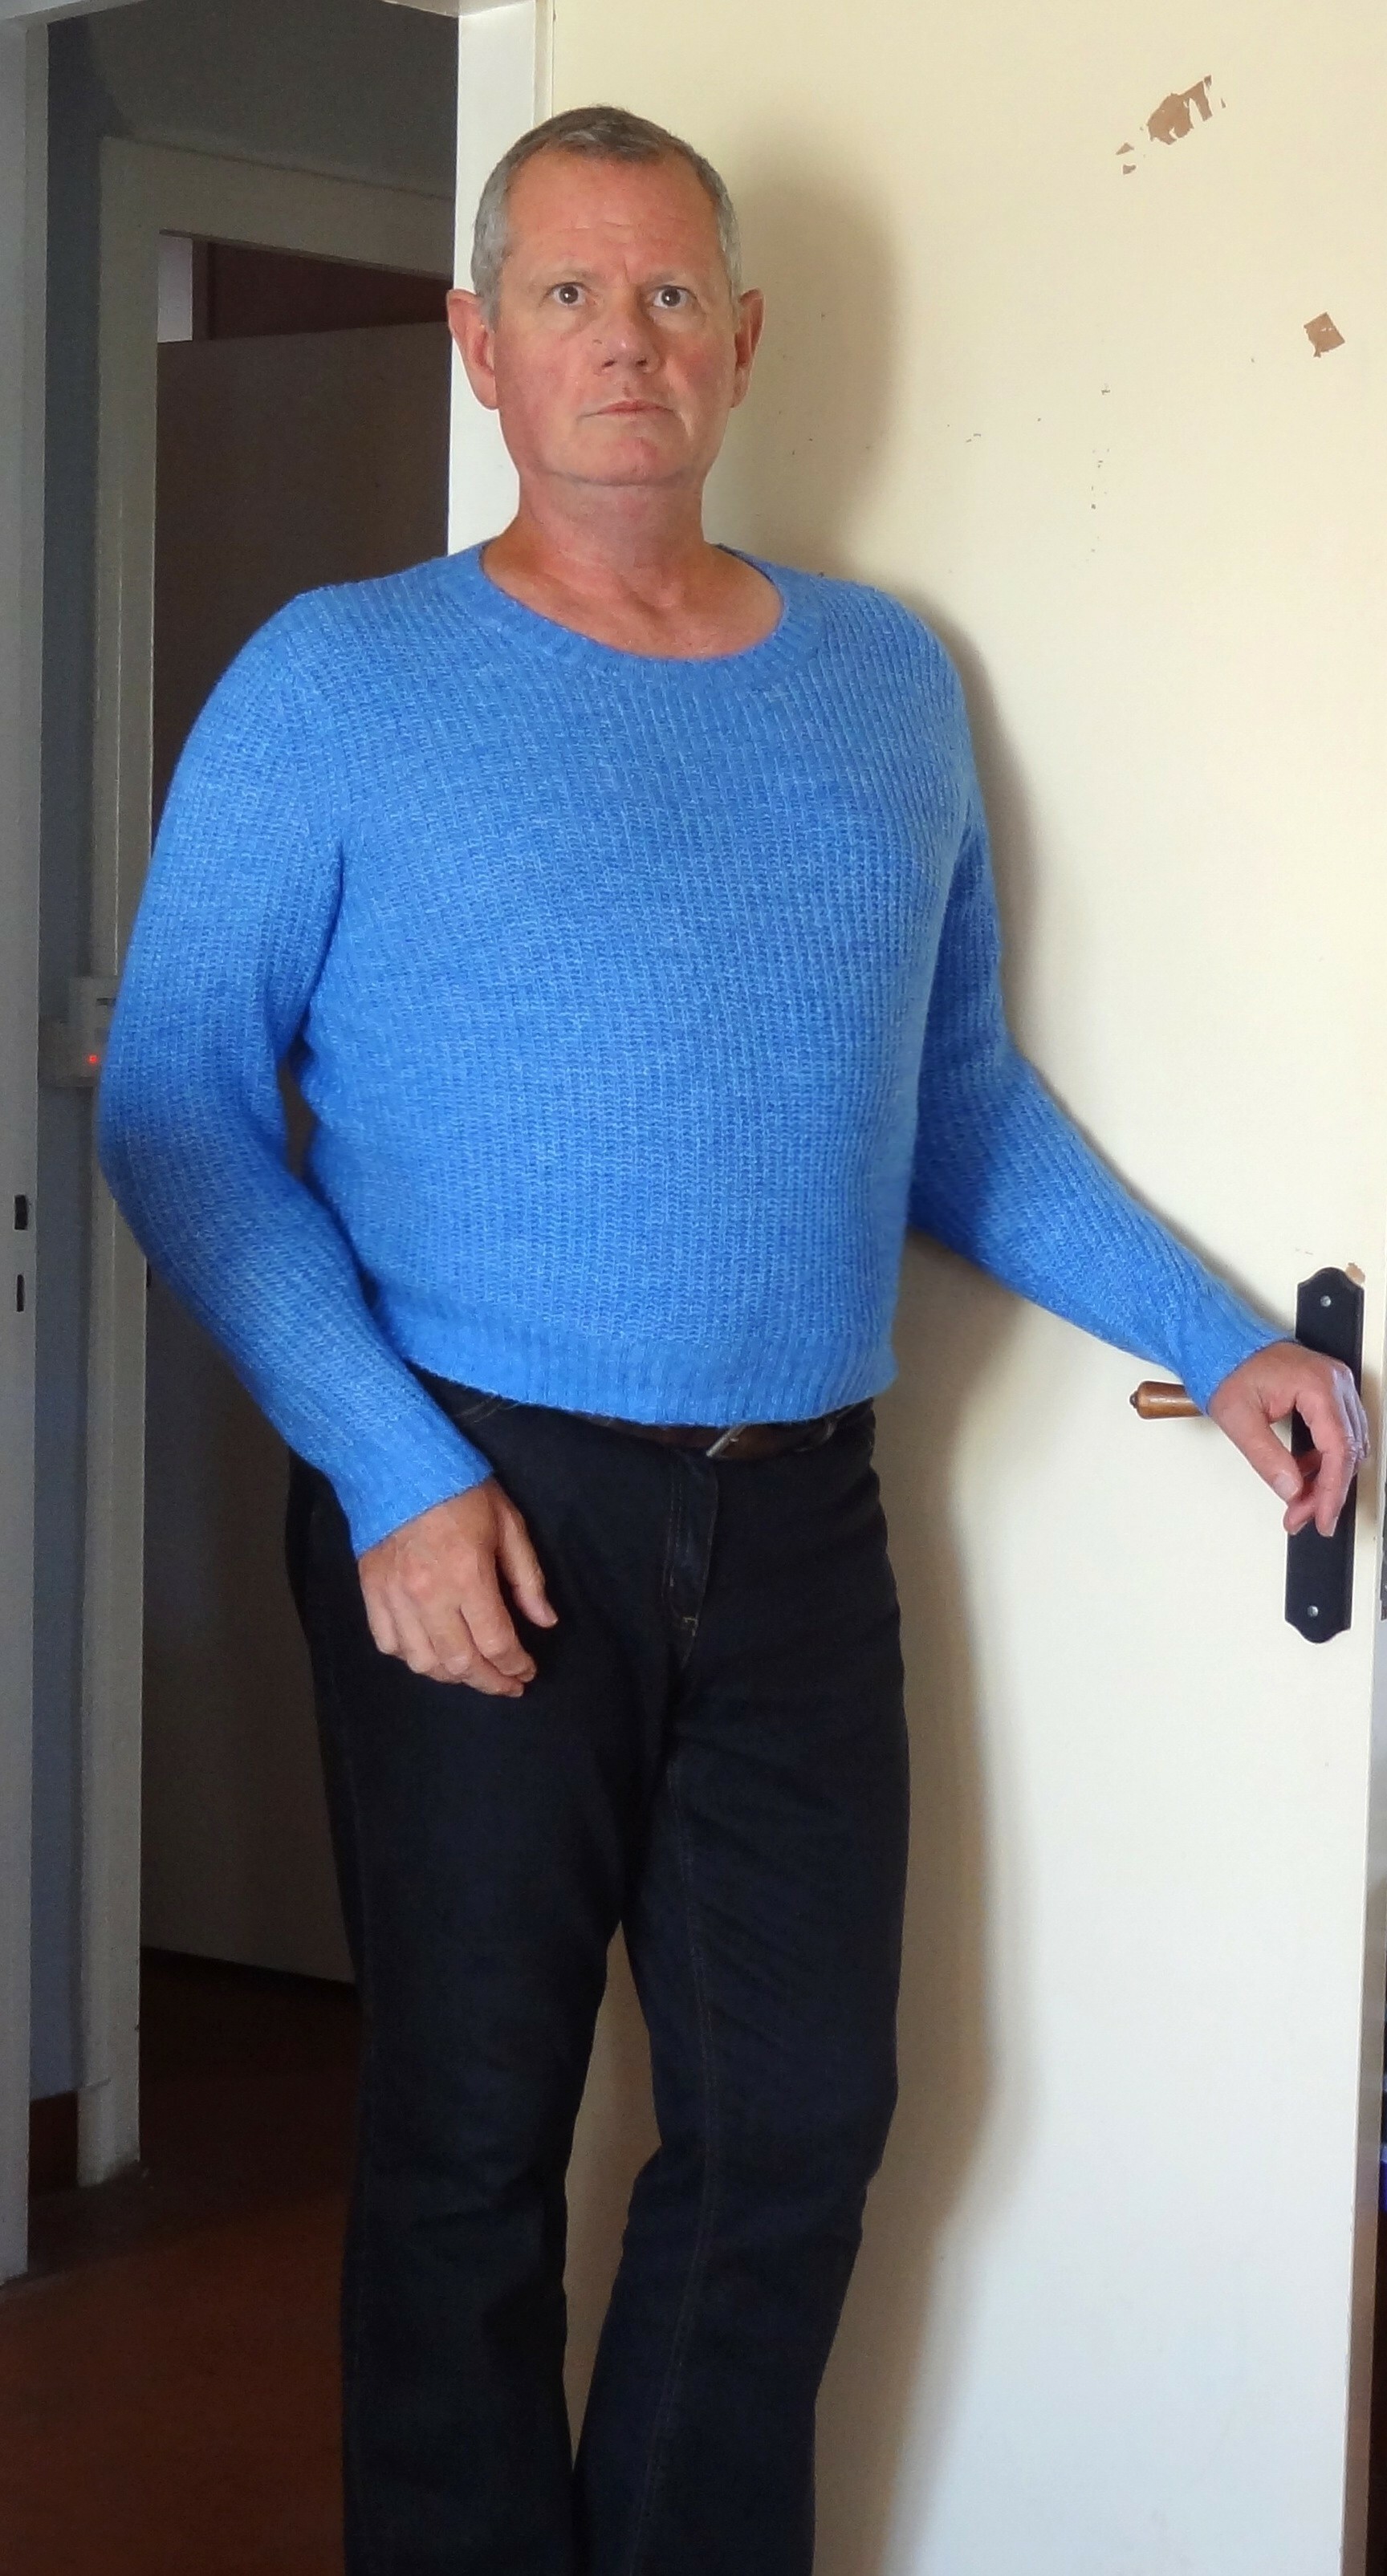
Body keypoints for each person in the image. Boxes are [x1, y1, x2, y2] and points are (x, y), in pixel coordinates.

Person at [97, 102, 1368, 2576]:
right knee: (467, 2156)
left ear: (744, 339)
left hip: (796, 1523)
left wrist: (1218, 1340)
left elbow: (954, 1110)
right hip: (472, 1501)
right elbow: (175, 1115)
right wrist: (390, 1467)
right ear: (478, 345)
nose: (625, 341)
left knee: (795, 2126)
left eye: (671, 293)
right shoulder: (339, 679)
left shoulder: (885, 685)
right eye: (567, 294)